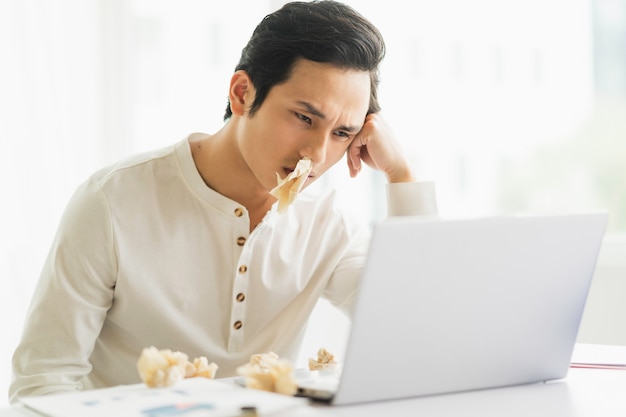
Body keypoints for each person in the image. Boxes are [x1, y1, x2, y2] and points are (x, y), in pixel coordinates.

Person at [9, 0, 437, 403]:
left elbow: (421, 329)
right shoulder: (111, 202)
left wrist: (402, 176)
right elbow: (42, 383)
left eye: (343, 133)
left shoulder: (330, 227)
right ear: (242, 93)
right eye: (305, 118)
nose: (318, 153)